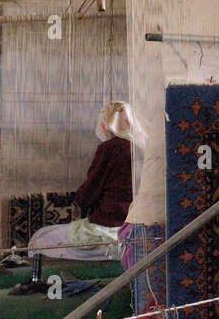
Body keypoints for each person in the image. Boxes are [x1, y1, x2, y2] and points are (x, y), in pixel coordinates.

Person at [27, 101, 143, 260]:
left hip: (109, 227)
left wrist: (79, 199)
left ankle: (42, 279)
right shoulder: (145, 148)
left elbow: (88, 195)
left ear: (106, 124)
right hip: (137, 230)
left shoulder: (110, 148)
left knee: (40, 238)